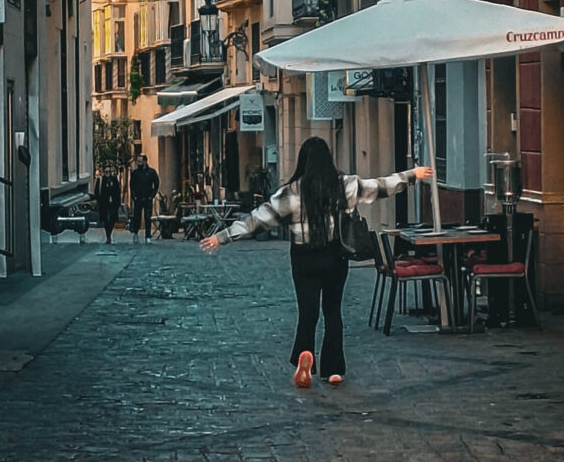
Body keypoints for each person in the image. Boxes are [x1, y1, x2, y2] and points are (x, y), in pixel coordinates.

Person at [200, 136, 433, 388]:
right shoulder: (344, 185)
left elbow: (258, 219)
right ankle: (333, 370)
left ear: (303, 162)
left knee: (307, 312)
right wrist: (412, 174)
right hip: (335, 256)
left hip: (304, 258)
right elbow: (380, 187)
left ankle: (305, 353)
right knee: (333, 311)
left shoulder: (290, 193)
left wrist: (221, 237)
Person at [130, 154, 160, 243]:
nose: (139, 163)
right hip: (138, 198)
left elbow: (156, 183)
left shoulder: (151, 172)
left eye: (140, 161)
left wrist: (152, 195)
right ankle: (135, 233)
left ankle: (148, 235)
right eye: (138, 161)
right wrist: (134, 196)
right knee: (137, 217)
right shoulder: (135, 173)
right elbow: (132, 185)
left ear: (145, 161)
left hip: (147, 198)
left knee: (148, 217)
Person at [94, 165, 121, 244]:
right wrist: (99, 201)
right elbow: (97, 191)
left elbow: (118, 191)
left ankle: (109, 234)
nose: (108, 173)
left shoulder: (114, 180)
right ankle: (108, 236)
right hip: (104, 204)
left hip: (113, 203)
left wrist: (117, 202)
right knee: (106, 220)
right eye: (106, 172)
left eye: (109, 172)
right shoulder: (101, 180)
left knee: (112, 219)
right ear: (104, 172)